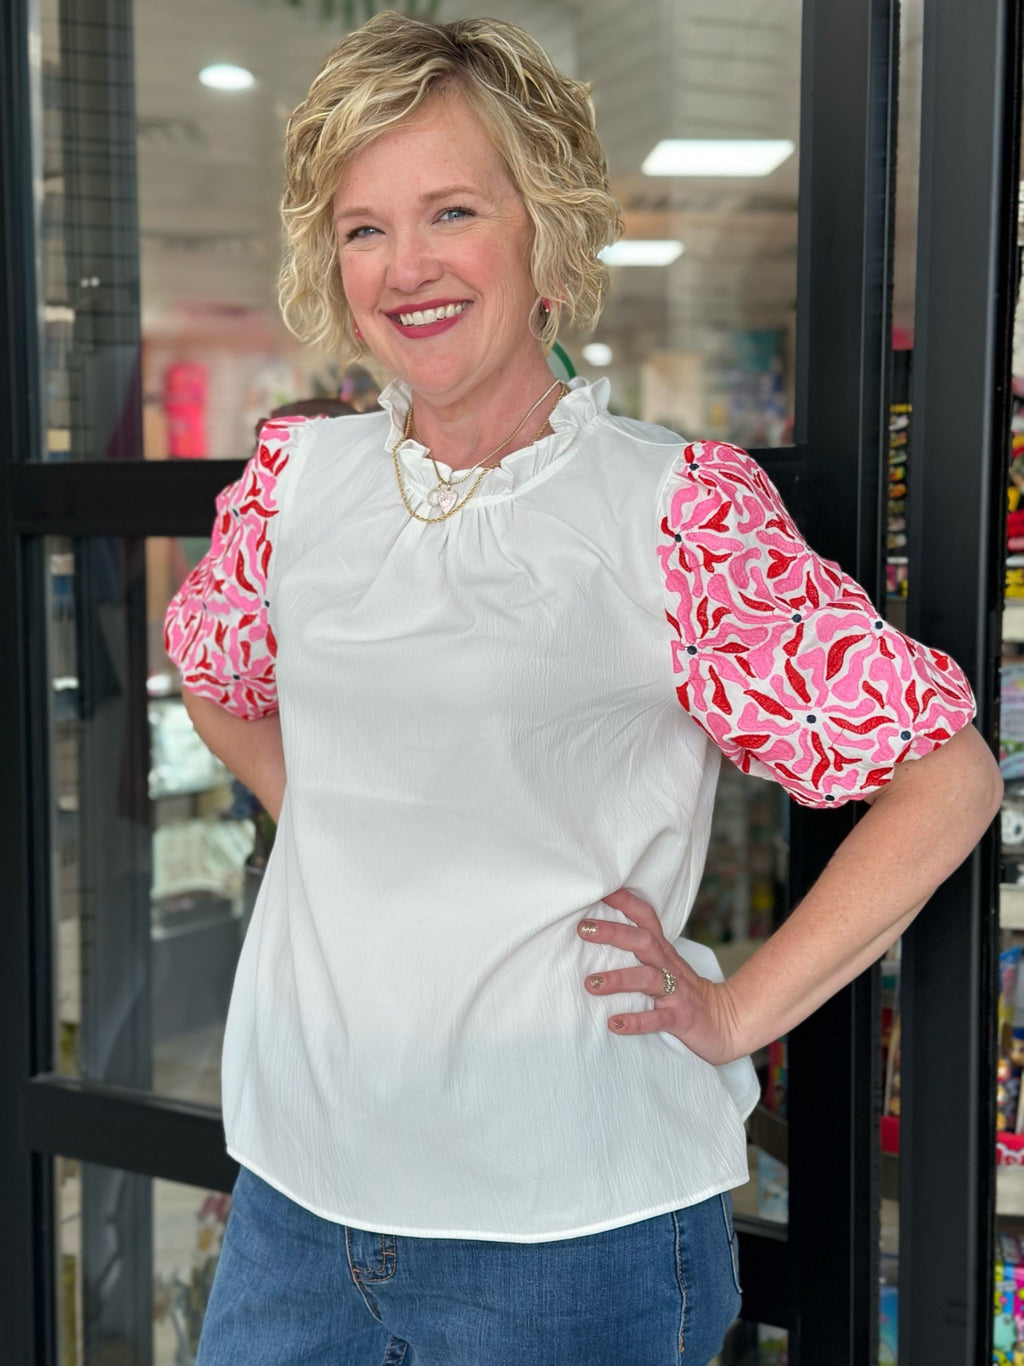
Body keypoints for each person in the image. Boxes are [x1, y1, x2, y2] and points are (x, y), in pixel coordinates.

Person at [163, 13, 1001, 1365]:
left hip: (567, 1239)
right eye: (365, 225)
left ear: (542, 230)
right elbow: (212, 673)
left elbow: (944, 775)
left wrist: (734, 1010)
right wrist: (332, 818)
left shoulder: (672, 514)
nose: (407, 266)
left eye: (451, 209)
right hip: (296, 1206)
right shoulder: (293, 483)